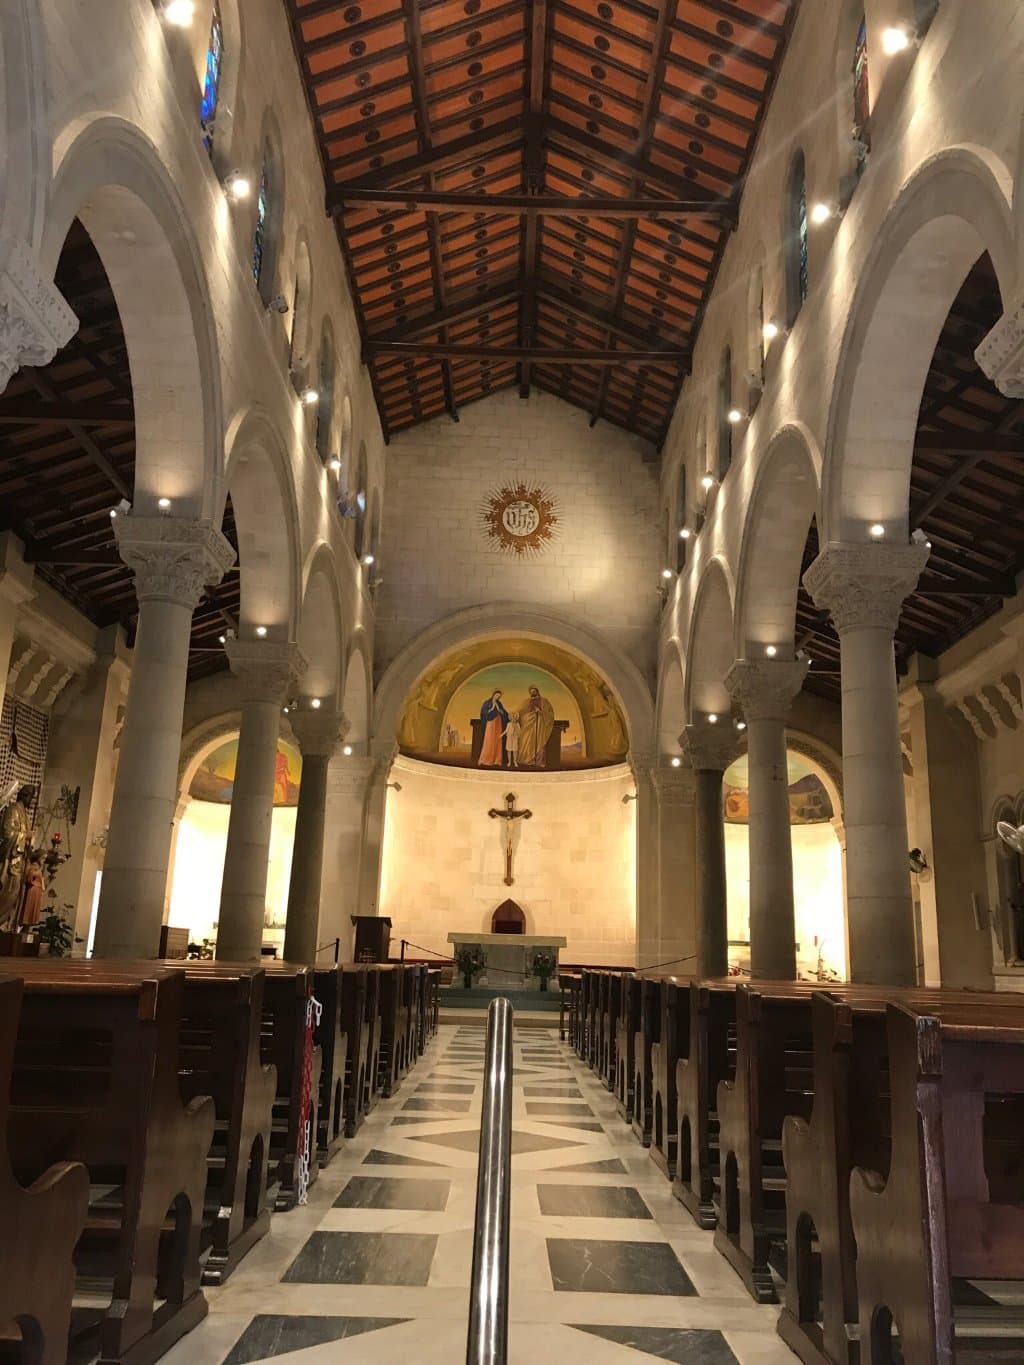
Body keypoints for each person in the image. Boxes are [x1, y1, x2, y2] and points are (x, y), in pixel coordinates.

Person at [515, 685, 555, 767]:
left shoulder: (544, 701)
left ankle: (539, 761)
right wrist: (515, 715)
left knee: (539, 741)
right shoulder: (527, 701)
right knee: (528, 741)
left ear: (537, 691)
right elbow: (520, 711)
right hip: (529, 723)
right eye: (531, 691)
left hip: (539, 723)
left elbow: (549, 713)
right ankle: (529, 760)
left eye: (534, 691)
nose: (532, 693)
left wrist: (540, 712)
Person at [477, 689, 509, 767]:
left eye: (499, 696)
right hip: (490, 723)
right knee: (489, 740)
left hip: (498, 723)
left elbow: (504, 712)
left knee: (497, 740)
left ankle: (496, 760)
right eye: (497, 695)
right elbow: (483, 713)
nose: (498, 697)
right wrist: (491, 709)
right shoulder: (487, 703)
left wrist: (500, 710)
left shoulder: (499, 703)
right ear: (493, 694)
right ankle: (486, 759)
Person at [18, 854, 44, 929]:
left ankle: (27, 927)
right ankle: (25, 925)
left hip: (37, 891)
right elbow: (30, 877)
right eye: (42, 858)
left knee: (34, 910)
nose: (43, 860)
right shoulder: (34, 866)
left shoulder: (38, 868)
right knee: (30, 909)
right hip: (32, 890)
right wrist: (38, 872)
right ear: (38, 858)